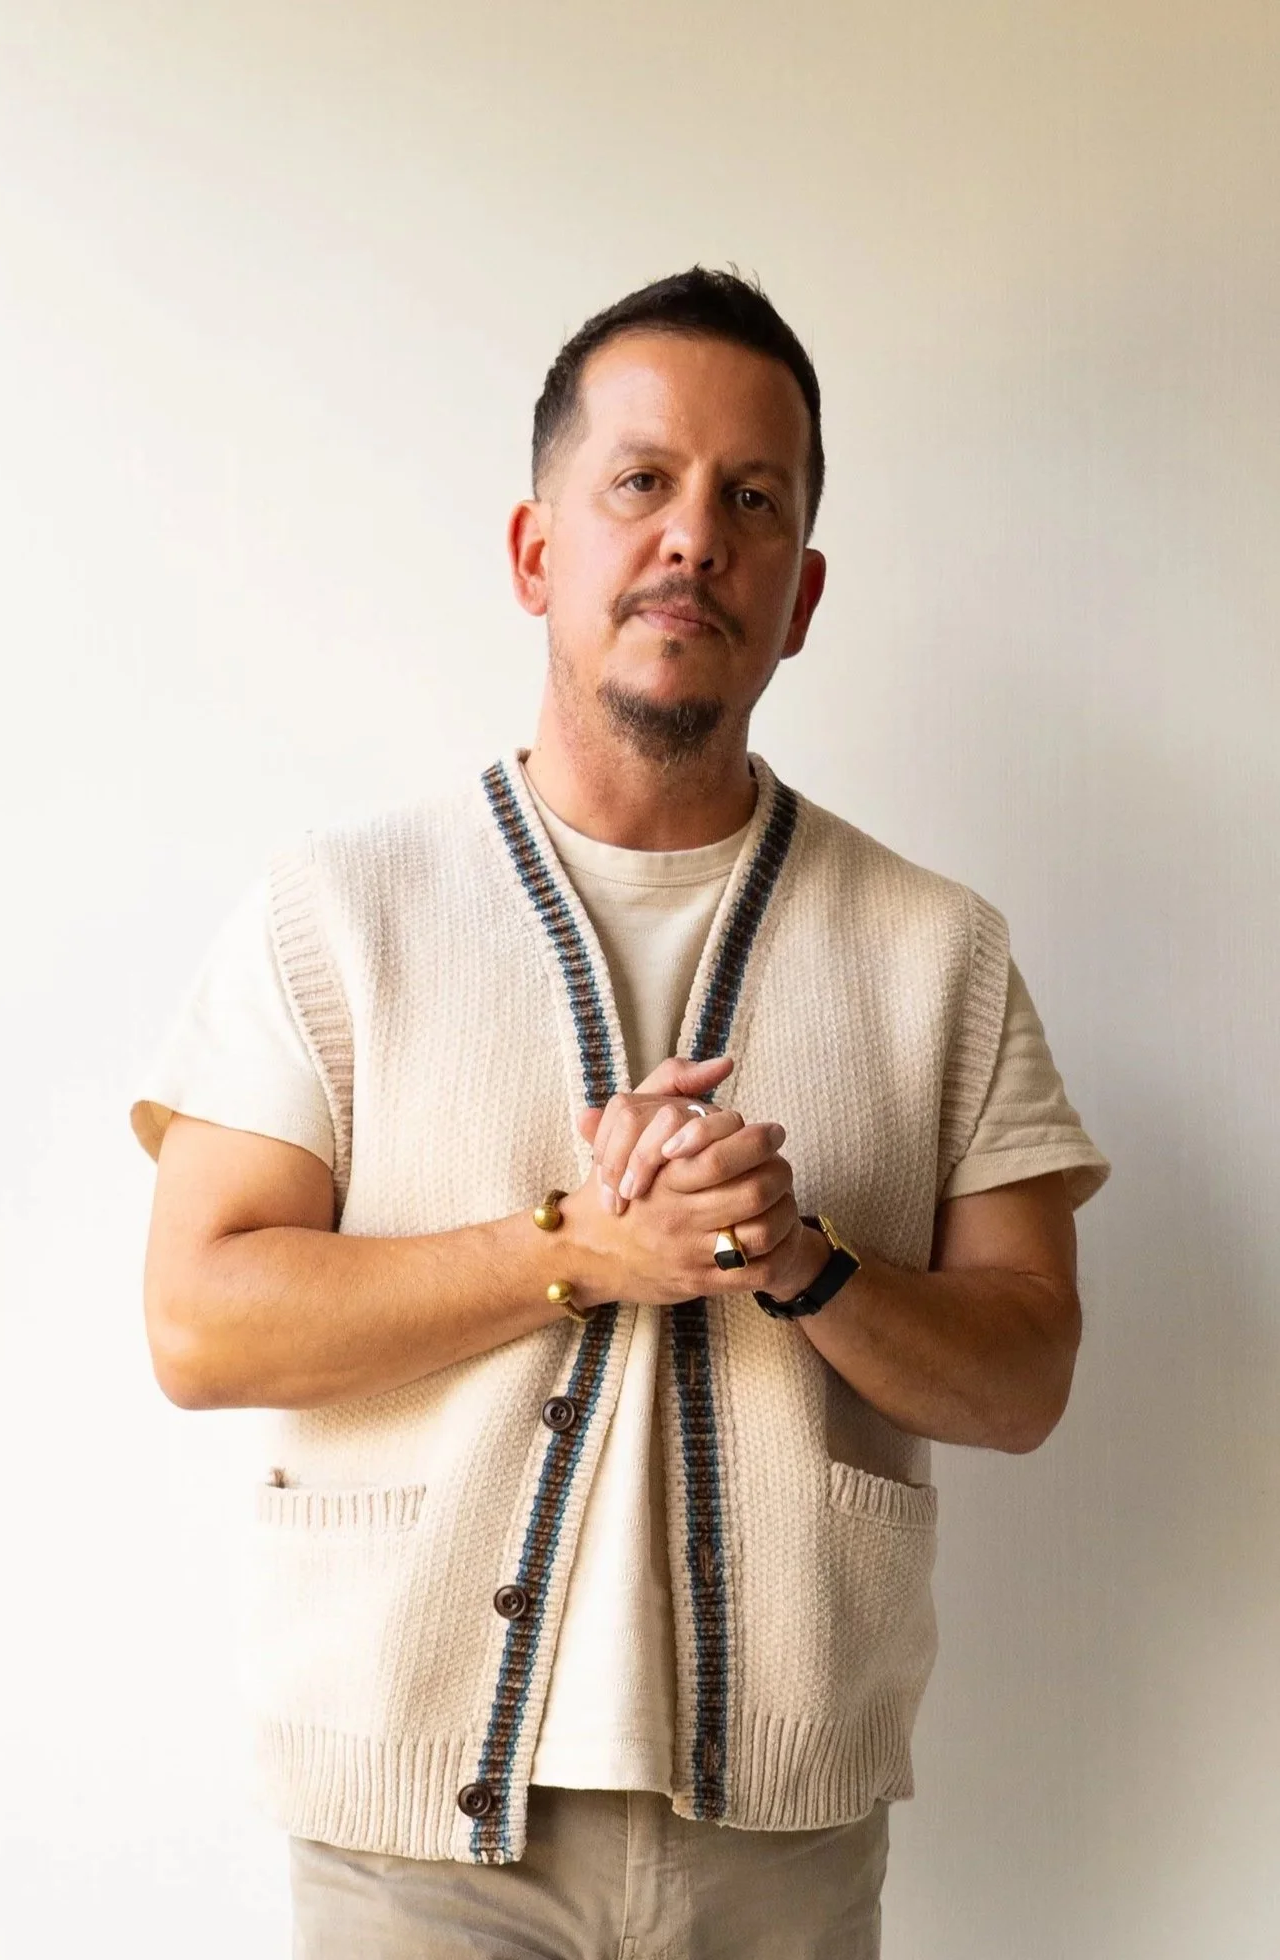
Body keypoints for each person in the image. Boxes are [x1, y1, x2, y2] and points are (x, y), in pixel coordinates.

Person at [130, 266, 1111, 1959]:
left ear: (800, 596)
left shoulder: (935, 948)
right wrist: (581, 1251)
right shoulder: (337, 913)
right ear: (536, 551)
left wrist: (801, 1263)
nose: (693, 538)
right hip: (410, 1838)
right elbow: (200, 1324)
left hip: (781, 1837)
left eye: (753, 501)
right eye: (640, 481)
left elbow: (1025, 1376)